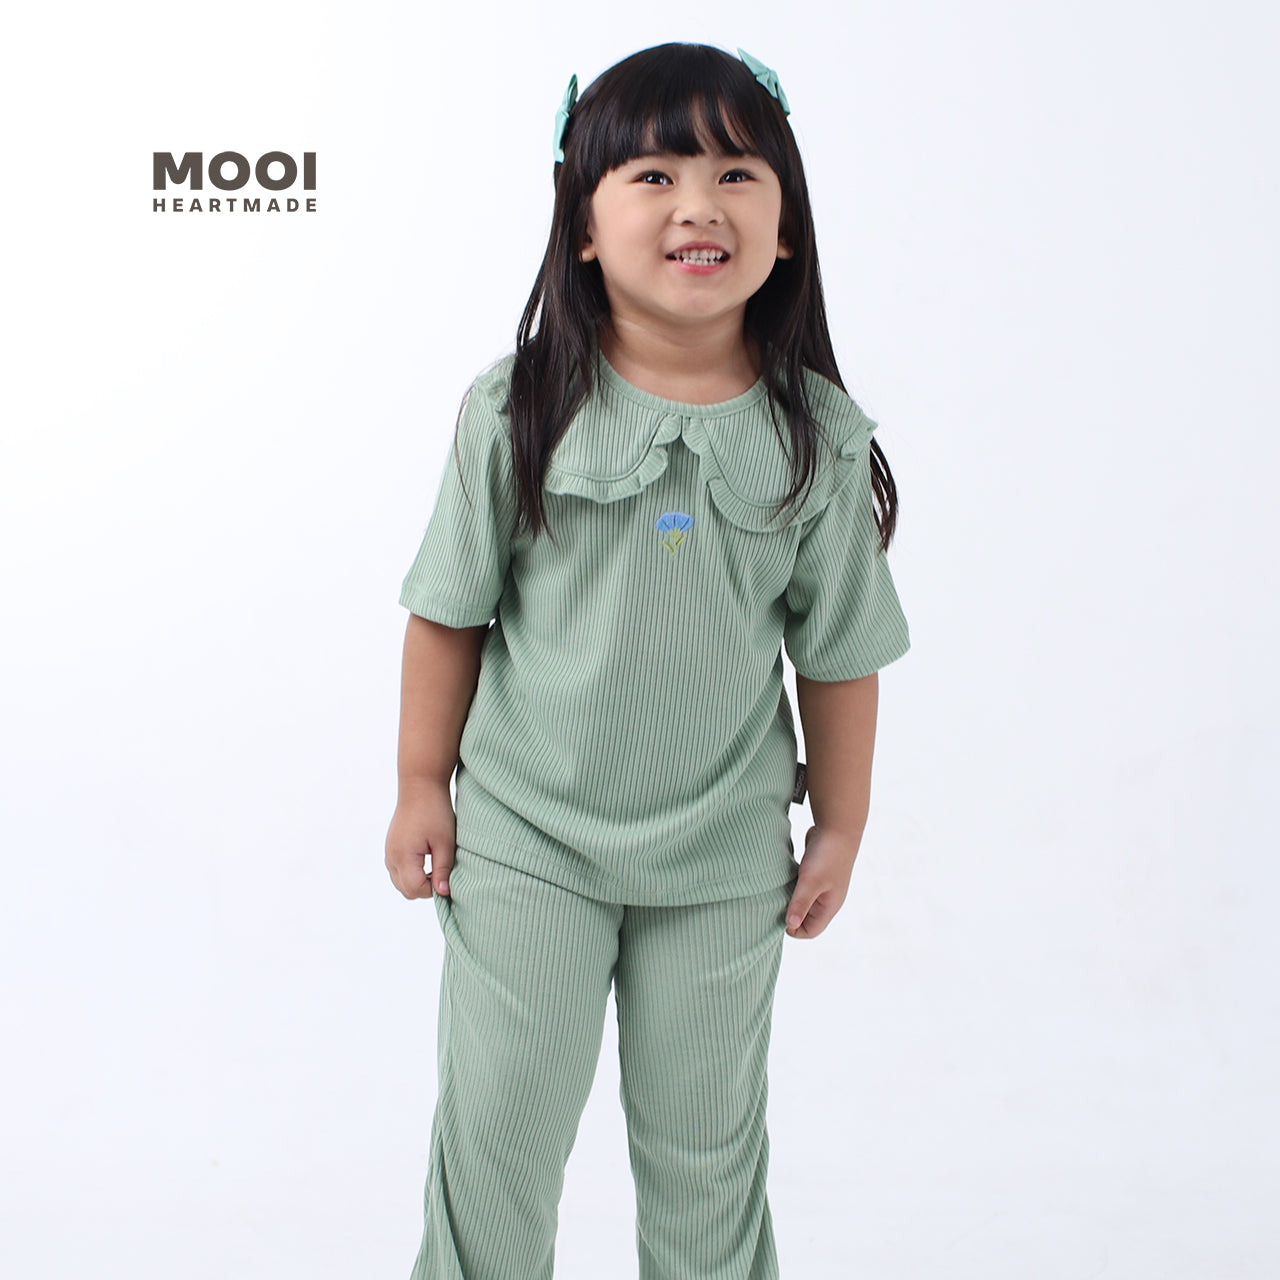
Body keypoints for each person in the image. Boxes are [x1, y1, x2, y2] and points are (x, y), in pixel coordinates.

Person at [384, 41, 911, 1280]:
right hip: (528, 840)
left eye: (736, 175)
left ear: (785, 226)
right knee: (498, 1137)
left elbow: (839, 653)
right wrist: (419, 783)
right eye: (655, 175)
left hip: (720, 857)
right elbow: (448, 613)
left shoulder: (815, 439)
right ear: (581, 224)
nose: (697, 205)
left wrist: (839, 825)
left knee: (705, 1155)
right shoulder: (515, 410)